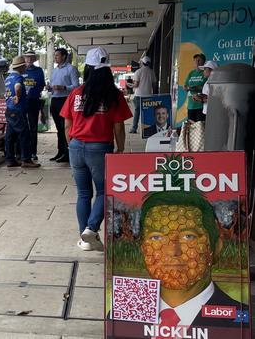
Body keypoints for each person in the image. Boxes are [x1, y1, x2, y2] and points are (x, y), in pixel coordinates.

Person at [139, 191, 248, 327]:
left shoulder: (240, 320)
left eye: (188, 236)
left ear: (216, 247)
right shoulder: (123, 314)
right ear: (143, 248)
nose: (173, 251)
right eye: (156, 237)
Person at [60, 47, 132, 251]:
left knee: (83, 193)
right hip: (100, 148)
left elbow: (67, 124)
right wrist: (120, 149)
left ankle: (85, 240)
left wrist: (71, 144)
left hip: (75, 146)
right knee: (105, 190)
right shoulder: (113, 95)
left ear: (88, 69)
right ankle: (91, 229)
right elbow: (119, 126)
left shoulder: (76, 93)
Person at [4, 56, 39, 168]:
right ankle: (26, 160)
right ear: (21, 67)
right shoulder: (18, 78)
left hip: (9, 110)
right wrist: (18, 97)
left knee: (10, 136)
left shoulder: (8, 78)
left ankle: (10, 159)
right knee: (24, 135)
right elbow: (18, 87)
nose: (25, 67)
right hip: (18, 110)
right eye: (24, 65)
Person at [48, 48, 80, 163]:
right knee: (58, 128)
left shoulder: (71, 69)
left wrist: (64, 87)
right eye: (55, 55)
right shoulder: (55, 70)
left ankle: (68, 152)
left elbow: (76, 86)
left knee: (65, 127)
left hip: (65, 99)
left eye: (57, 55)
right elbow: (52, 84)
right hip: (55, 99)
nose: (55, 57)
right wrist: (50, 87)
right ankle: (60, 151)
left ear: (64, 56)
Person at [22, 50, 46, 162]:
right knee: (22, 127)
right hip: (22, 102)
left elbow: (42, 85)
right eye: (27, 57)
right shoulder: (21, 70)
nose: (29, 60)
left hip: (34, 101)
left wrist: (34, 90)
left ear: (35, 59)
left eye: (31, 58)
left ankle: (33, 152)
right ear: (24, 58)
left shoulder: (39, 70)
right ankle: (22, 152)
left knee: (33, 128)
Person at [127, 56, 157, 133]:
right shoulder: (152, 72)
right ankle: (148, 129)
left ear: (142, 63)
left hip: (139, 95)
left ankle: (134, 128)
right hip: (148, 96)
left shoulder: (138, 72)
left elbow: (136, 85)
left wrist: (131, 85)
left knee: (137, 112)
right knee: (148, 112)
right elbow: (154, 85)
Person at [183, 53, 207, 122]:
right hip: (191, 105)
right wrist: (185, 87)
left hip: (201, 105)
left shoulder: (205, 72)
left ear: (204, 62)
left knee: (200, 127)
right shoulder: (191, 73)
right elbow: (185, 85)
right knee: (191, 127)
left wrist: (194, 88)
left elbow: (206, 87)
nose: (197, 62)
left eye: (199, 60)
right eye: (195, 60)